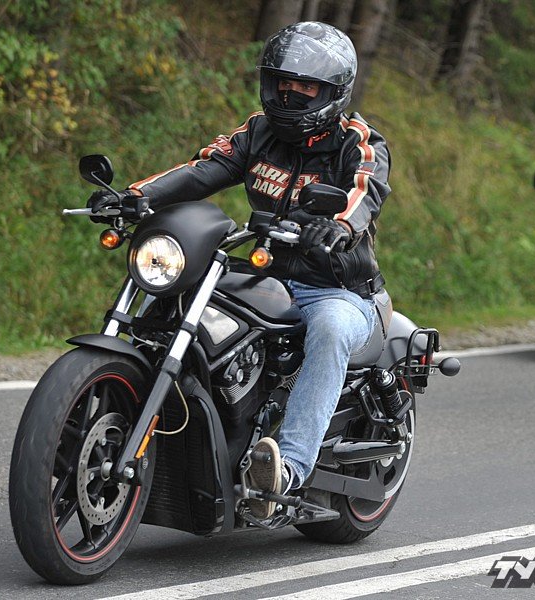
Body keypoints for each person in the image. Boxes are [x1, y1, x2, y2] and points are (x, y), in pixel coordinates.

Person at [89, 21, 391, 519]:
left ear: (333, 92)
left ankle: (288, 470)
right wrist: (135, 197)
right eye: (283, 82)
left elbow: (365, 191)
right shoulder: (259, 131)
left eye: (306, 86)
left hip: (336, 286)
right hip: (264, 274)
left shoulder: (358, 142)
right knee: (183, 299)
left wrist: (338, 227)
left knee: (332, 330)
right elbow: (204, 168)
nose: (290, 94)